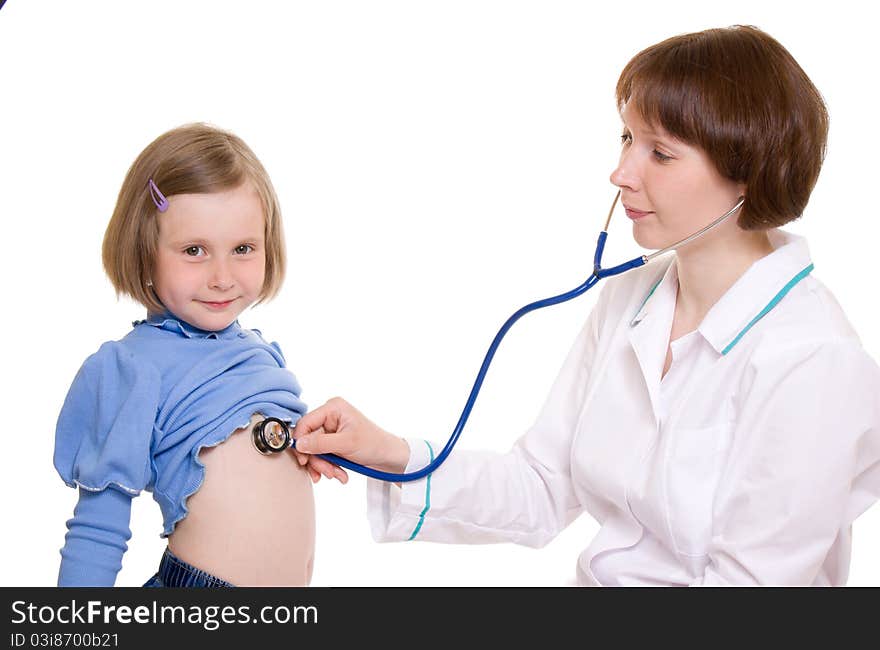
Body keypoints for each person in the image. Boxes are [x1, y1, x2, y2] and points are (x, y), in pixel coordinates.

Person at [292, 25, 880, 586]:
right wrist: (387, 452)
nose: (620, 173)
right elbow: (541, 485)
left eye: (661, 153)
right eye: (627, 138)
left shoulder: (814, 359)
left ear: (749, 169)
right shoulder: (631, 300)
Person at [54, 123, 315, 587]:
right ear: (144, 251)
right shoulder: (131, 369)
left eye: (243, 249)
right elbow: (98, 529)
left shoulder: (259, 356)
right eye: (194, 250)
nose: (222, 276)